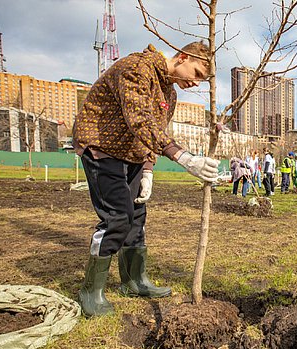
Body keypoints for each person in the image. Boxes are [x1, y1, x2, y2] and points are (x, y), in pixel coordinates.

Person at [73, 42, 219, 317]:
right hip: (102, 149)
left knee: (136, 218)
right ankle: (90, 292)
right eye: (197, 73)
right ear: (184, 57)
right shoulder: (136, 68)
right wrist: (184, 158)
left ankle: (134, 281)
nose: (195, 83)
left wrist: (148, 169)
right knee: (117, 218)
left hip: (134, 157)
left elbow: (155, 132)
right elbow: (139, 120)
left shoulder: (169, 93)